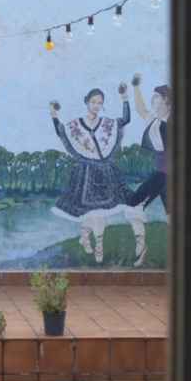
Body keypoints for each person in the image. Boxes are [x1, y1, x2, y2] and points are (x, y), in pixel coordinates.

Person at [49, 84, 148, 265]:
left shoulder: (107, 124)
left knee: (102, 211)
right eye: (93, 102)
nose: (96, 105)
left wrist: (125, 98)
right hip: (86, 173)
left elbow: (125, 120)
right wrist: (54, 114)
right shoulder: (77, 124)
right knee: (91, 211)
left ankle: (97, 244)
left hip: (105, 172)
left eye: (99, 103)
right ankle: (88, 239)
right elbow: (61, 131)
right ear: (87, 102)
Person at [127, 77, 171, 214]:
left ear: (166, 100)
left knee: (135, 202)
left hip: (167, 171)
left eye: (157, 96)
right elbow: (141, 109)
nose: (153, 98)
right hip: (161, 169)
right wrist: (136, 88)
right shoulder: (154, 120)